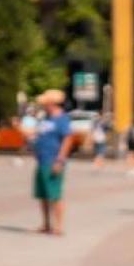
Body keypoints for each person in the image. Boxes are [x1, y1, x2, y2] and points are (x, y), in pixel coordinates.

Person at [31, 89, 82, 236]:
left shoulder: (61, 119)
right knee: (43, 195)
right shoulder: (45, 118)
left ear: (52, 103)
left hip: (53, 160)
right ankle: (46, 224)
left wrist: (60, 159)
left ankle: (58, 226)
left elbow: (68, 139)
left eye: (45, 103)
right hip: (41, 160)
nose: (43, 106)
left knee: (54, 194)